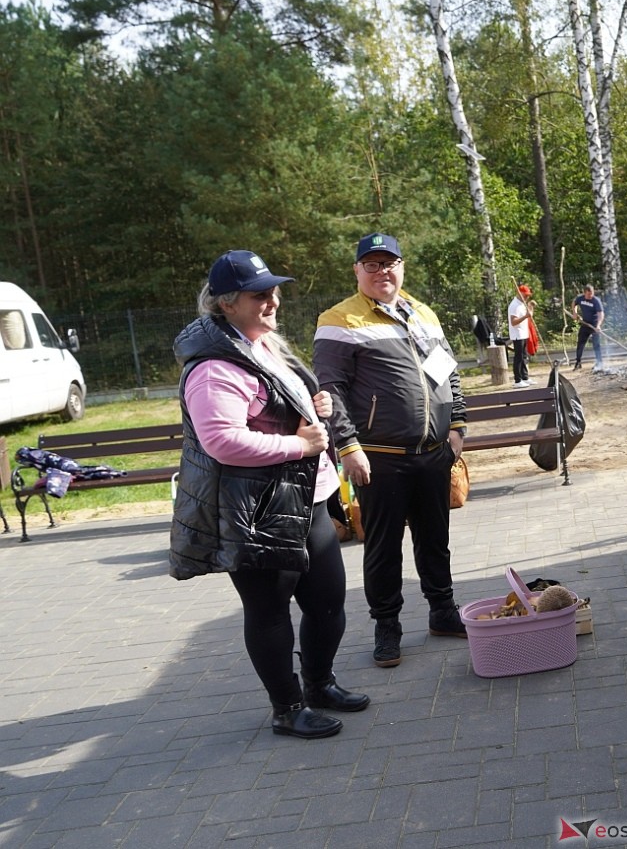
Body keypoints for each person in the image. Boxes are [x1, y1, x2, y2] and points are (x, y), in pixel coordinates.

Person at [170, 250, 369, 740]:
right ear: (226, 303)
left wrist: (312, 403)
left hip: (306, 500)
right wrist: (298, 443)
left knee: (328, 603)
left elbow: (276, 404)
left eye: (274, 291)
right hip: (256, 509)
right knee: (269, 612)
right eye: (260, 295)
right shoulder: (214, 367)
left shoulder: (260, 344)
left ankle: (320, 684)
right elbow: (221, 441)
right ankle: (287, 707)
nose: (272, 301)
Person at [313, 233, 469, 669]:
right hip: (378, 456)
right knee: (383, 547)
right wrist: (348, 446)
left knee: (435, 540)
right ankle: (387, 626)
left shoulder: (423, 313)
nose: (383, 272)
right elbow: (331, 389)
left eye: (390, 263)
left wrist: (457, 426)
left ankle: (443, 611)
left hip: (434, 452)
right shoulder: (340, 319)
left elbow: (448, 375)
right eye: (372, 264)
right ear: (357, 271)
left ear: (402, 266)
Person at [571, 284, 605, 370]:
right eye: (589, 294)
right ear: (584, 293)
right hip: (585, 324)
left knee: (596, 344)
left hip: (594, 325)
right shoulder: (580, 298)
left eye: (592, 293)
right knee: (580, 343)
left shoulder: (596, 301)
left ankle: (599, 363)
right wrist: (574, 313)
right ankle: (578, 362)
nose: (591, 296)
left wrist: (598, 325)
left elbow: (600, 314)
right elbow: (574, 303)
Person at [508, 284, 535, 387]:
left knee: (524, 356)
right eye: (525, 295)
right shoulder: (514, 305)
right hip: (517, 334)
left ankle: (525, 377)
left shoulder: (522, 303)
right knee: (518, 357)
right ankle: (517, 380)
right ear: (520, 293)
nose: (527, 297)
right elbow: (513, 322)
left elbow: (527, 315)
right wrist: (525, 316)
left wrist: (530, 309)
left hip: (523, 333)